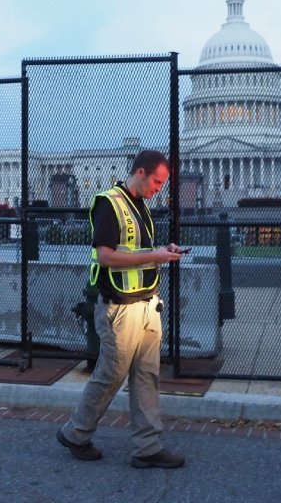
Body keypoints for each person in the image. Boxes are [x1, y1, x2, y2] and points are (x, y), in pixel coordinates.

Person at [57, 149, 187, 469]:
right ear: (140, 173)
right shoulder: (109, 204)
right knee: (111, 375)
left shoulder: (141, 205)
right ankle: (75, 432)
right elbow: (106, 257)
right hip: (120, 307)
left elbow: (137, 250)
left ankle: (148, 447)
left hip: (146, 303)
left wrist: (163, 251)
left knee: (146, 376)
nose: (160, 188)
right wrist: (154, 257)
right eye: (157, 181)